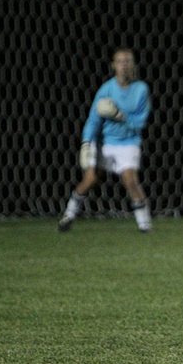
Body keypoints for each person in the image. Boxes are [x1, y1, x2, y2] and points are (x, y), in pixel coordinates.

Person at [58, 47, 152, 233]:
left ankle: (145, 225)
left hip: (128, 142)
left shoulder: (141, 89)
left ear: (133, 65)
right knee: (90, 179)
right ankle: (68, 216)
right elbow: (93, 120)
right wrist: (86, 142)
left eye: (128, 61)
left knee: (129, 179)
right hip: (105, 143)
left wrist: (119, 115)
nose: (124, 65)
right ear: (113, 66)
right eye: (120, 61)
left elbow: (140, 122)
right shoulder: (106, 89)